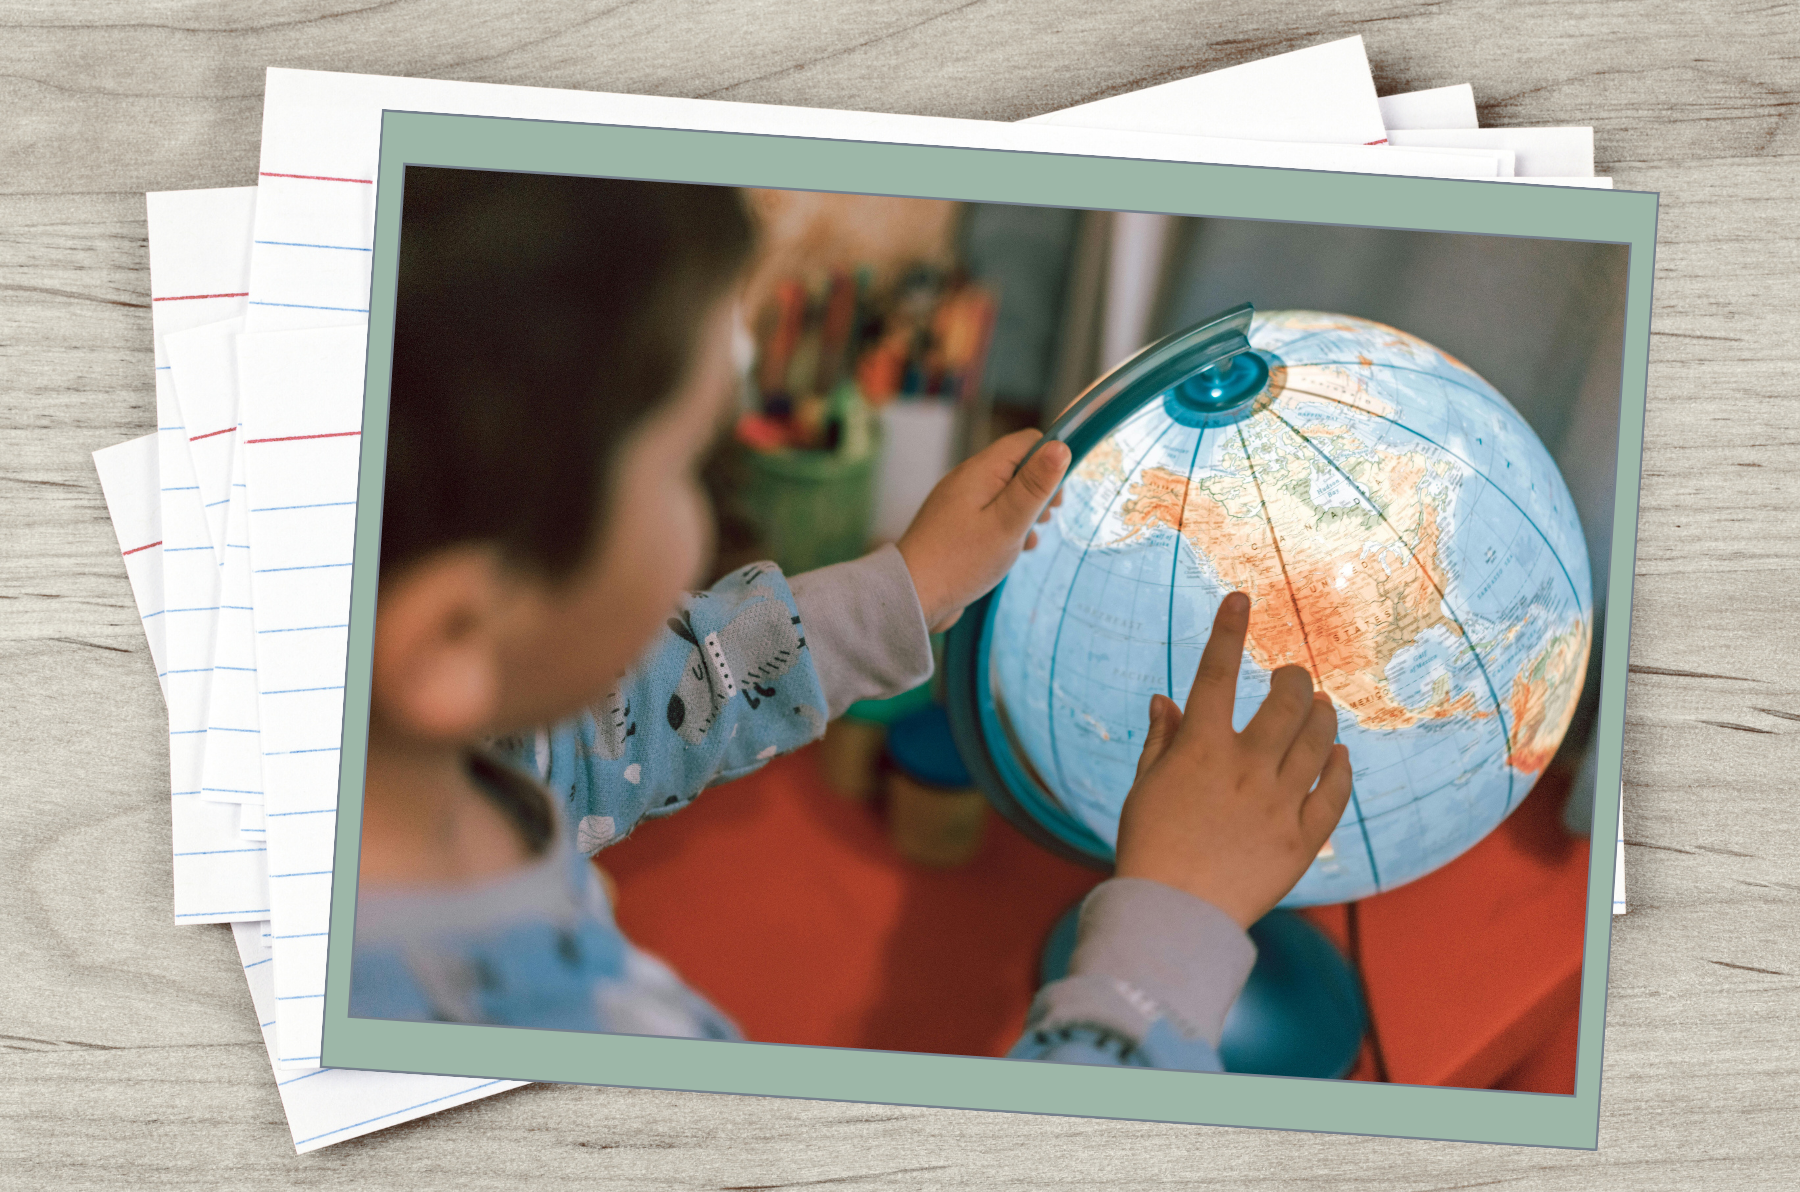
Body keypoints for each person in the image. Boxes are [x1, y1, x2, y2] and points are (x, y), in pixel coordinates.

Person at [350, 167, 1353, 1073]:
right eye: (687, 467)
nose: (702, 516)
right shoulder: (543, 1049)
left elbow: (608, 735)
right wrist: (1172, 935)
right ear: (452, 636)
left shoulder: (429, 759)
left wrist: (904, 590)